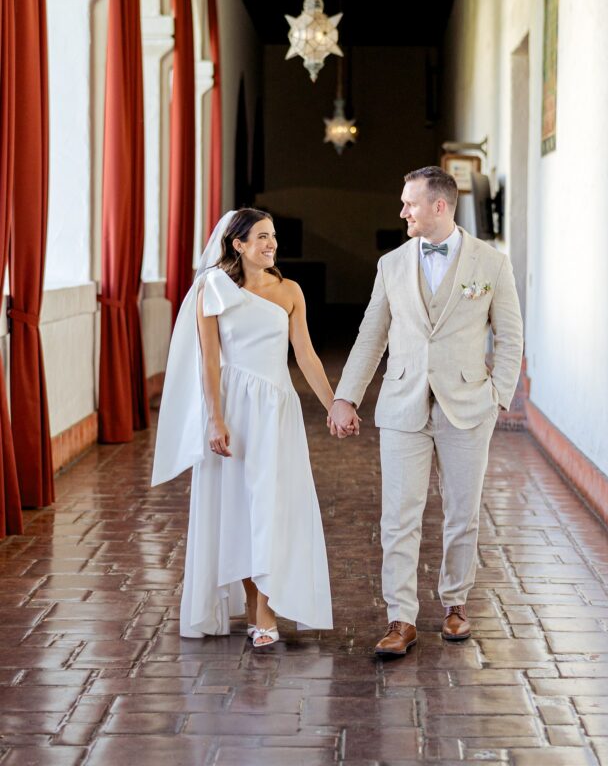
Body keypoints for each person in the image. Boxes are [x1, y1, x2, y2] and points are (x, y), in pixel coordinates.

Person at [329, 166, 523, 656]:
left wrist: (497, 396)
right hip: (402, 405)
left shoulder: (491, 264)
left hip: (467, 406)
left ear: (439, 206)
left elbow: (510, 335)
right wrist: (346, 396)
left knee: (462, 512)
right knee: (398, 516)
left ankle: (456, 604)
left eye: (409, 203)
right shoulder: (391, 265)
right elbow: (371, 335)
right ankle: (400, 619)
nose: (402, 211)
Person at [152, 208, 341, 646]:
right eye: (261, 236)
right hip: (233, 410)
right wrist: (215, 419)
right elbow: (210, 363)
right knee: (235, 509)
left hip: (276, 409)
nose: (271, 243)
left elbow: (307, 356)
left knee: (273, 507)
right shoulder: (212, 289)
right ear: (237, 244)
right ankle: (257, 609)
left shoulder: (290, 290)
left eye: (273, 236)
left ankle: (266, 611)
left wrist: (333, 405)